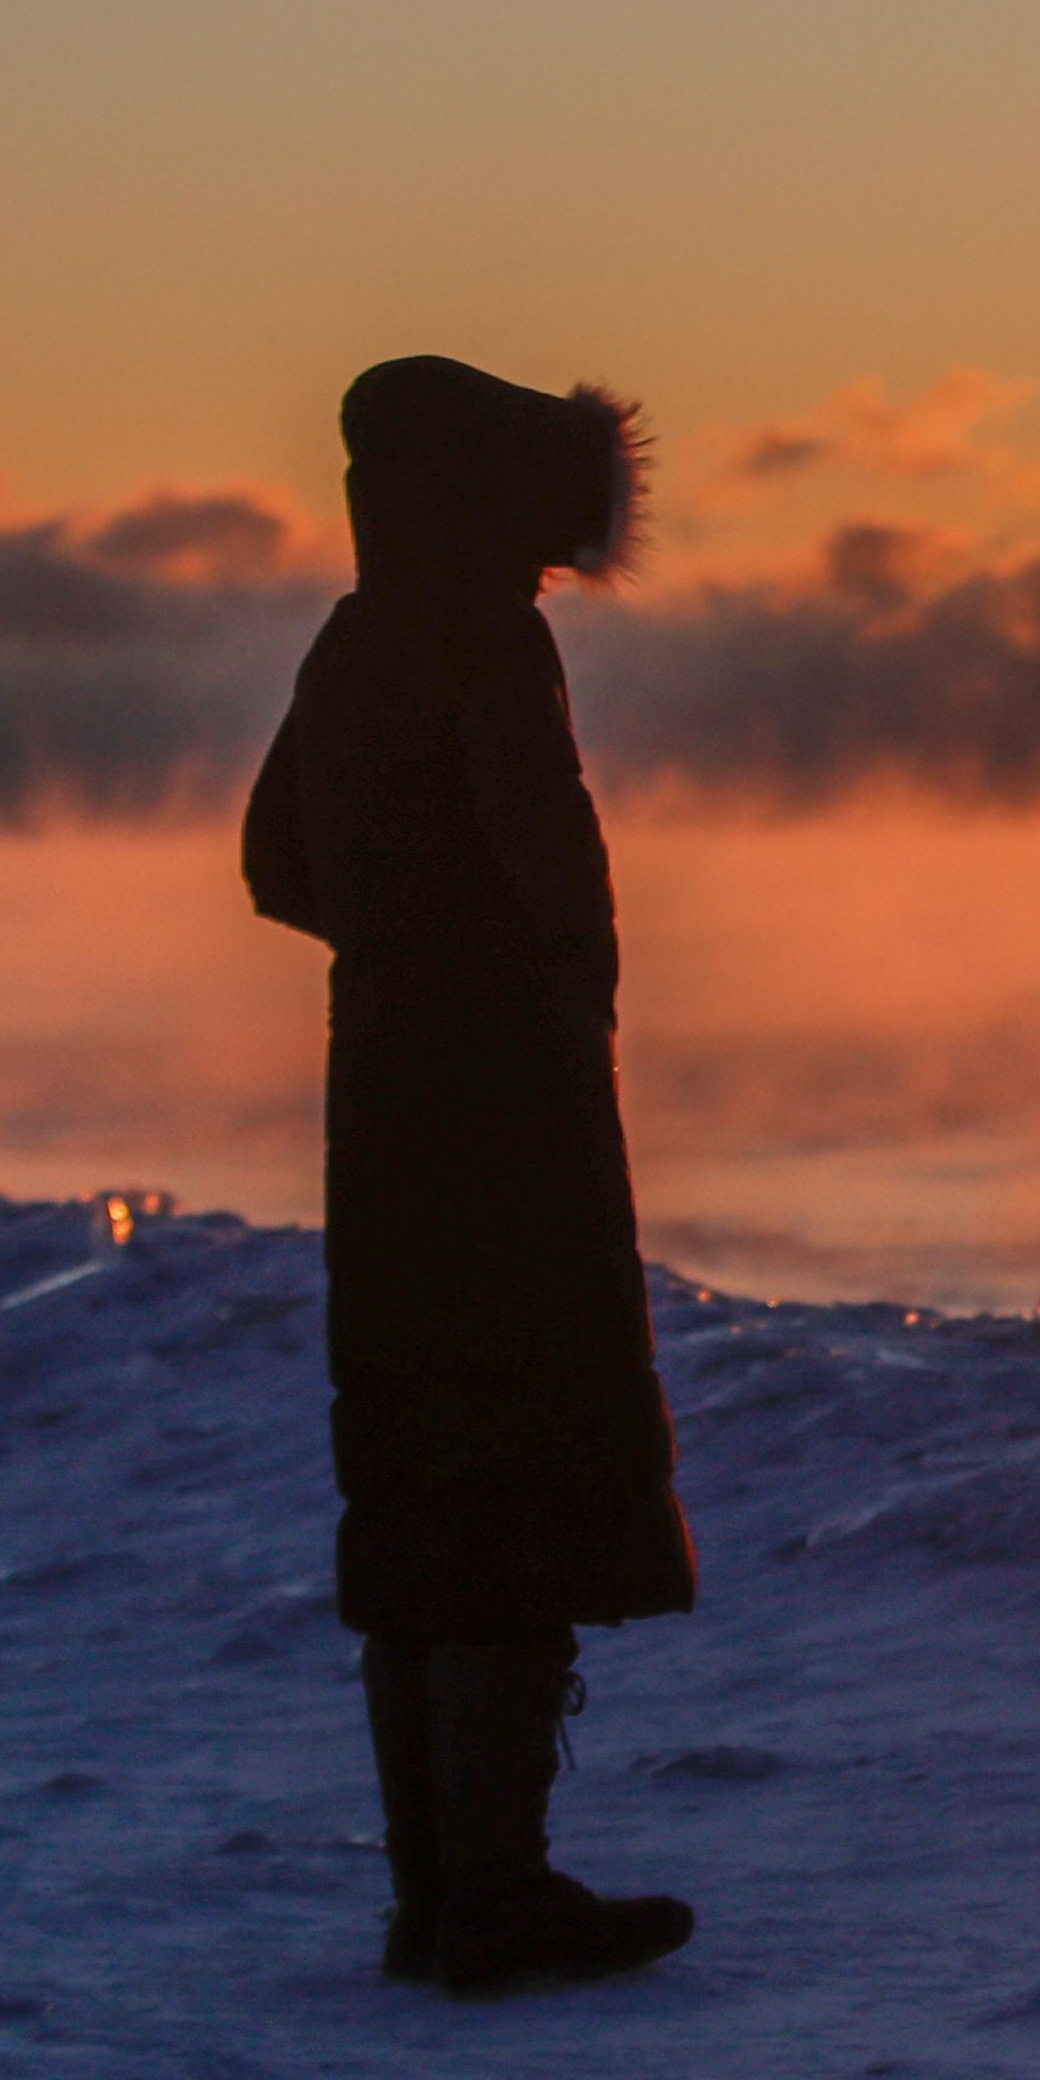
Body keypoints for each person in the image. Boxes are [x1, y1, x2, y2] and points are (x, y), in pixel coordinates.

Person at [242, 354, 699, 1997]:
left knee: (419, 1463)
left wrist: (394, 946)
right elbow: (546, 869)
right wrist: (555, 991)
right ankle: (496, 1901)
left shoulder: (353, 638)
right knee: (520, 1450)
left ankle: (437, 1894)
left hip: (383, 1095)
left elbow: (275, 862)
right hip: (506, 1101)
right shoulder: (487, 643)